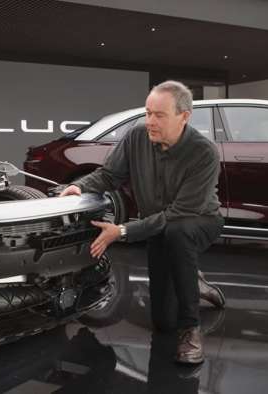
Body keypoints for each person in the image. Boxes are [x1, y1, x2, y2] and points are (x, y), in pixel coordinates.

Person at [59, 80, 224, 364]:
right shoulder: (136, 137)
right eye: (147, 113)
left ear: (184, 116)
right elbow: (110, 176)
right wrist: (81, 186)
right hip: (159, 226)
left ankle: (191, 329)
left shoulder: (203, 152)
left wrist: (122, 231)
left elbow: (178, 214)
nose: (150, 121)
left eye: (159, 115)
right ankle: (193, 283)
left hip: (198, 221)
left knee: (178, 232)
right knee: (162, 323)